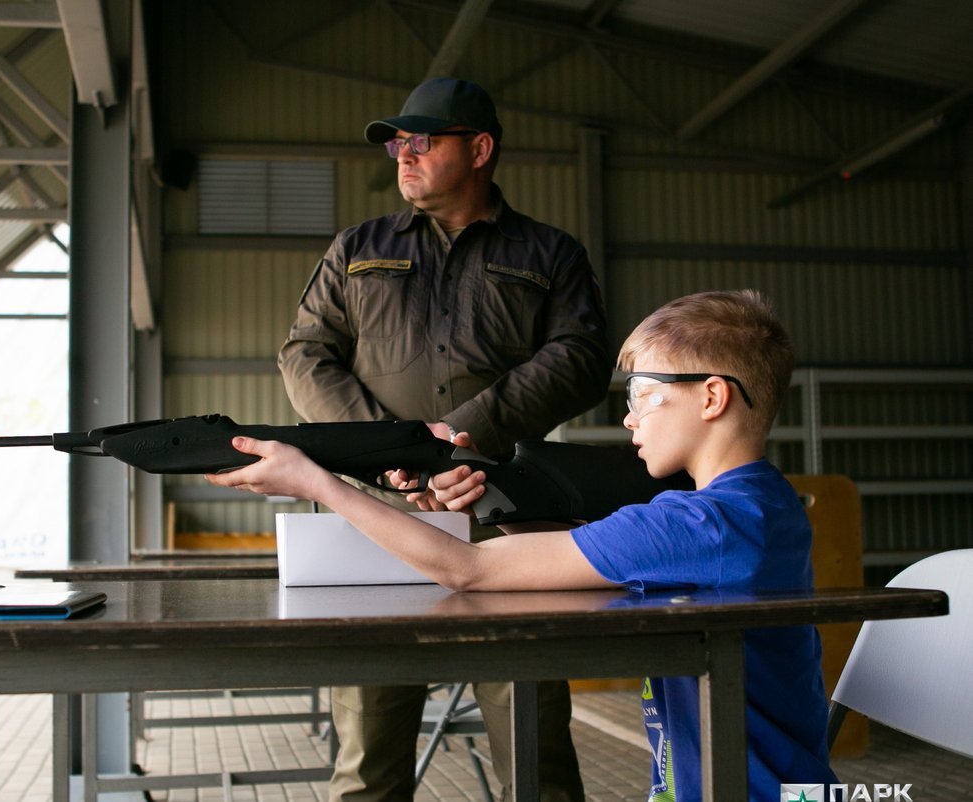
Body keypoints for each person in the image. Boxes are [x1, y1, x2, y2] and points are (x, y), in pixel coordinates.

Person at [215, 289, 839, 802]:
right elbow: (570, 555)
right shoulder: (763, 505)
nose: (629, 418)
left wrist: (313, 481)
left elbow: (470, 569)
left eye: (642, 394)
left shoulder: (696, 523)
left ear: (712, 396)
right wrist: (487, 498)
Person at [277, 76, 610, 801]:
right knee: (367, 750)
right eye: (398, 143)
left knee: (533, 737)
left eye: (421, 141)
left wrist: (465, 435)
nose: (404, 155)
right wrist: (388, 450)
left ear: (480, 149)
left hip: (507, 514)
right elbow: (304, 354)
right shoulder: (357, 248)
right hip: (379, 512)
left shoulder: (549, 253)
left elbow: (582, 357)